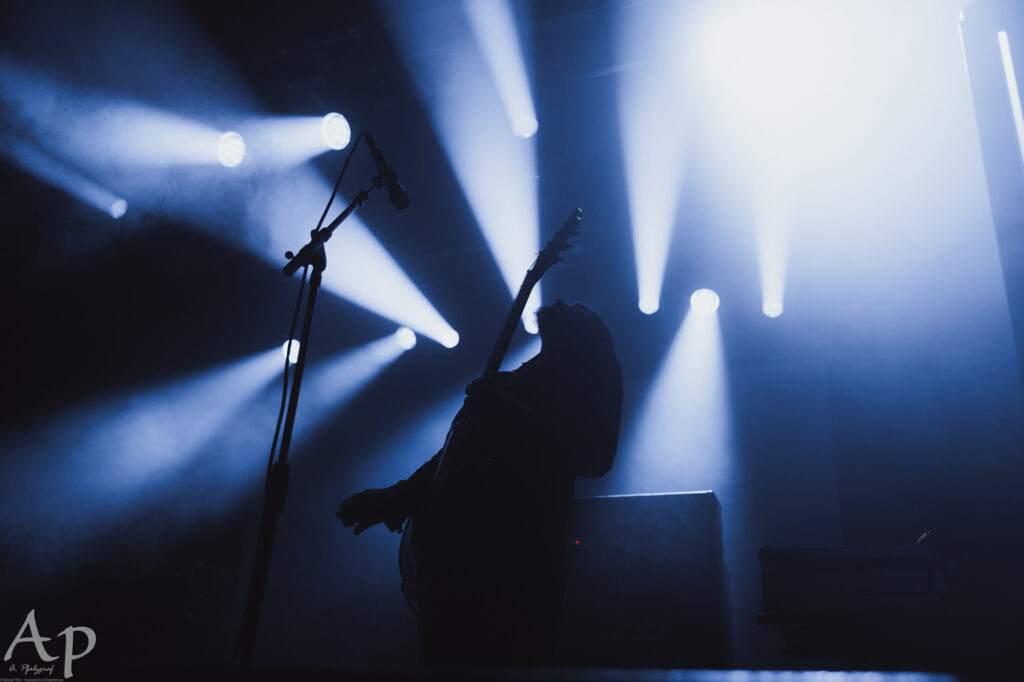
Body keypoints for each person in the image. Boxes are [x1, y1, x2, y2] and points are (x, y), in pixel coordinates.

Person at [337, 299, 623, 666]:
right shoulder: (514, 381)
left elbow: (595, 457)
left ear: (593, 333)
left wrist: (508, 409)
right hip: (451, 564)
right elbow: (453, 456)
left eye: (582, 306)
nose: (565, 301)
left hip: (517, 564)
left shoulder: (592, 367)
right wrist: (397, 496)